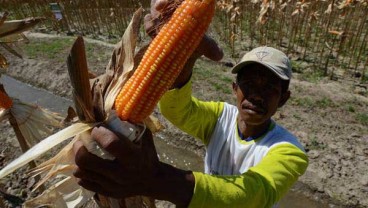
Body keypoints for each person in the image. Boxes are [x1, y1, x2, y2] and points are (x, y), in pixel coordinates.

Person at [72, 0, 308, 207]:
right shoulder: (221, 117)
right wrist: (182, 56)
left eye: (270, 88)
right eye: (249, 84)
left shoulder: (290, 151)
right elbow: (177, 111)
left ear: (283, 99)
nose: (257, 95)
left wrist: (155, 180)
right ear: (235, 88)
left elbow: (254, 195)